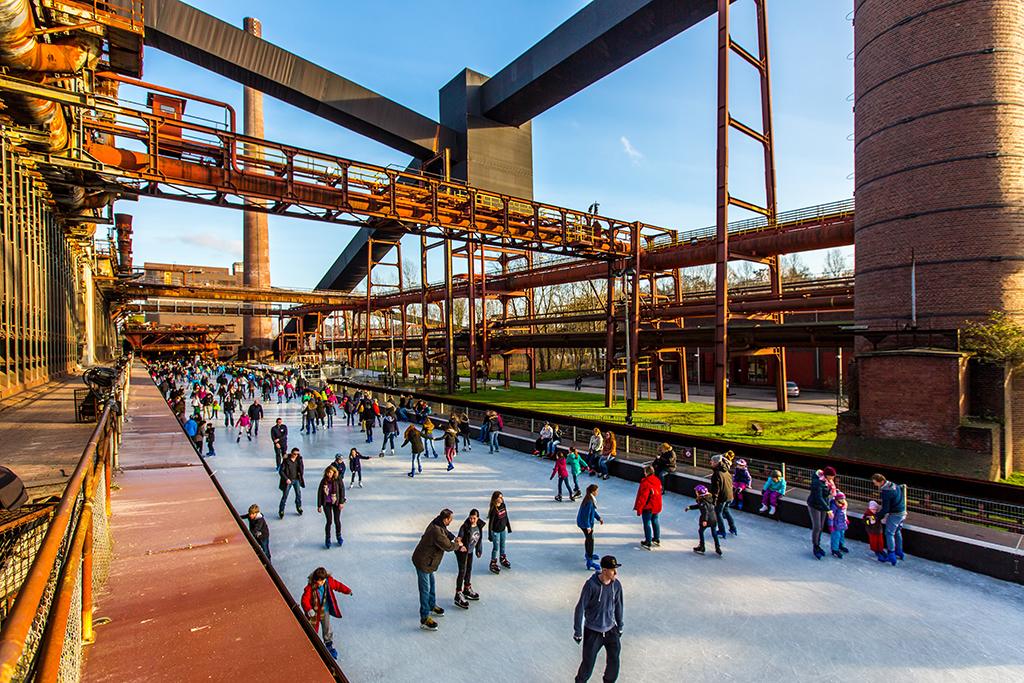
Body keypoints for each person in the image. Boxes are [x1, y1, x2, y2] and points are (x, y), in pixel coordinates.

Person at [573, 555, 624, 683]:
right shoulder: (591, 585)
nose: (615, 572)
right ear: (605, 570)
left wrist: (620, 625)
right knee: (588, 665)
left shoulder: (616, 585)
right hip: (593, 632)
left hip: (611, 629)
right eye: (613, 569)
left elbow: (619, 605)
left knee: (614, 660)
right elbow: (580, 607)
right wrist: (578, 631)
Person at [411, 508, 462, 631]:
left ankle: (431, 605)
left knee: (432, 585)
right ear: (446, 519)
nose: (451, 521)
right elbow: (448, 546)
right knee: (425, 590)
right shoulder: (436, 532)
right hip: (423, 562)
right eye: (450, 519)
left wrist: (454, 537)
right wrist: (458, 545)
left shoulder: (437, 522)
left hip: (429, 562)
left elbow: (446, 531)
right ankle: (424, 618)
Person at [301, 566, 352, 660]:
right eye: (319, 581)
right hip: (314, 613)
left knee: (327, 627)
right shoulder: (310, 587)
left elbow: (338, 585)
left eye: (322, 580)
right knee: (312, 628)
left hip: (325, 611)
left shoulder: (329, 582)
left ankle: (329, 644)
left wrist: (347, 590)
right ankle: (312, 642)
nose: (320, 583)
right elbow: (305, 600)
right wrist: (309, 609)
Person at [872, 473, 907, 566]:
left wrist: (877, 516)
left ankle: (891, 554)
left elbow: (886, 509)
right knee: (898, 531)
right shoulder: (893, 484)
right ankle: (899, 551)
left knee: (889, 533)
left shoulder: (886, 492)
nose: (875, 485)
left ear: (881, 482)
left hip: (895, 514)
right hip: (903, 512)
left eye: (876, 483)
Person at [453, 509, 485, 609]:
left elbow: (479, 539)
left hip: (470, 552)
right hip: (462, 551)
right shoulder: (465, 527)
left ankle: (466, 588)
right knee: (462, 571)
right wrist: (459, 542)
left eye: (474, 518)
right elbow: (459, 537)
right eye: (470, 518)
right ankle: (458, 593)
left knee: (469, 570)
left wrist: (478, 550)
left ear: (477, 518)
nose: (472, 520)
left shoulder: (479, 525)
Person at [807, 466, 837, 559]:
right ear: (827, 475)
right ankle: (815, 546)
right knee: (817, 526)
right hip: (815, 505)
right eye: (831, 476)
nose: (833, 479)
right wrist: (828, 509)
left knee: (821, 527)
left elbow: (826, 495)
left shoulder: (828, 482)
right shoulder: (817, 482)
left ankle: (818, 544)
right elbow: (818, 497)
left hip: (824, 506)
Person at [685, 485, 722, 556]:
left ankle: (702, 546)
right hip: (714, 519)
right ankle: (718, 547)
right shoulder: (708, 499)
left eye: (696, 491)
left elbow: (705, 511)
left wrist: (705, 520)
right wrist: (690, 507)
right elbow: (699, 506)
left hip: (707, 520)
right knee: (714, 533)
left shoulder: (702, 502)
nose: (695, 493)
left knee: (701, 531)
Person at [633, 465, 662, 550]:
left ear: (647, 473)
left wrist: (639, 508)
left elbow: (643, 497)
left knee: (647, 523)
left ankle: (648, 541)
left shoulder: (645, 483)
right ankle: (656, 539)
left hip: (648, 506)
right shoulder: (657, 480)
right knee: (655, 520)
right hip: (656, 505)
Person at [708, 453, 737, 539]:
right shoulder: (726, 470)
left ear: (716, 462)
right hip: (729, 496)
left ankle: (721, 531)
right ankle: (733, 528)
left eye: (712, 461)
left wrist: (714, 500)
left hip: (722, 497)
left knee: (718, 513)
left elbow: (716, 489)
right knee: (726, 511)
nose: (710, 463)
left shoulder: (716, 474)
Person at [318, 465, 346, 549]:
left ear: (334, 472)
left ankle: (339, 536)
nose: (328, 474)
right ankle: (328, 538)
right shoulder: (323, 481)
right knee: (329, 521)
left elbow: (342, 491)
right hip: (327, 503)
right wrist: (319, 505)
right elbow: (319, 493)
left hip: (336, 503)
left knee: (337, 520)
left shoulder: (338, 480)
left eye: (330, 472)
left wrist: (341, 502)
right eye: (327, 472)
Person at [576, 484, 603, 571]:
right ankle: (589, 561)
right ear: (593, 491)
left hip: (584, 522)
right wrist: (588, 526)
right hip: (585, 523)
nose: (597, 493)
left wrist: (599, 518)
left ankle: (588, 554)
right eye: (597, 491)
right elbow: (586, 515)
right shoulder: (589, 501)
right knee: (590, 540)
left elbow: (593, 512)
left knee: (589, 539)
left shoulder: (590, 499)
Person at [487, 491, 512, 574]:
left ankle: (502, 558)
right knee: (496, 548)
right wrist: (490, 535)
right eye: (500, 497)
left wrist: (508, 526)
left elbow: (506, 517)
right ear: (495, 499)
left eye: (502, 497)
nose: (502, 499)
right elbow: (490, 523)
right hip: (495, 532)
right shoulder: (494, 510)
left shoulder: (503, 505)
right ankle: (493, 562)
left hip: (502, 530)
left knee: (503, 545)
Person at [278, 448, 305, 519]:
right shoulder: (286, 460)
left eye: (297, 454)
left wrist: (300, 477)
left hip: (296, 480)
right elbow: (281, 471)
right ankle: (281, 510)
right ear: (291, 453)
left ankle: (299, 507)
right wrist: (286, 479)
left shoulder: (299, 460)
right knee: (285, 496)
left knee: (298, 494)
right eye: (294, 454)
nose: (296, 455)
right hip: (288, 480)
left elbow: (301, 468)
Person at [829, 491, 850, 559]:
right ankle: (834, 549)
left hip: (842, 524)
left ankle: (841, 545)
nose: (842, 500)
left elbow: (844, 513)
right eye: (841, 499)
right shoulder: (834, 506)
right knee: (836, 537)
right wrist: (831, 525)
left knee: (842, 535)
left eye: (843, 499)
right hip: (835, 525)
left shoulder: (844, 505)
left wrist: (846, 519)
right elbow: (831, 517)